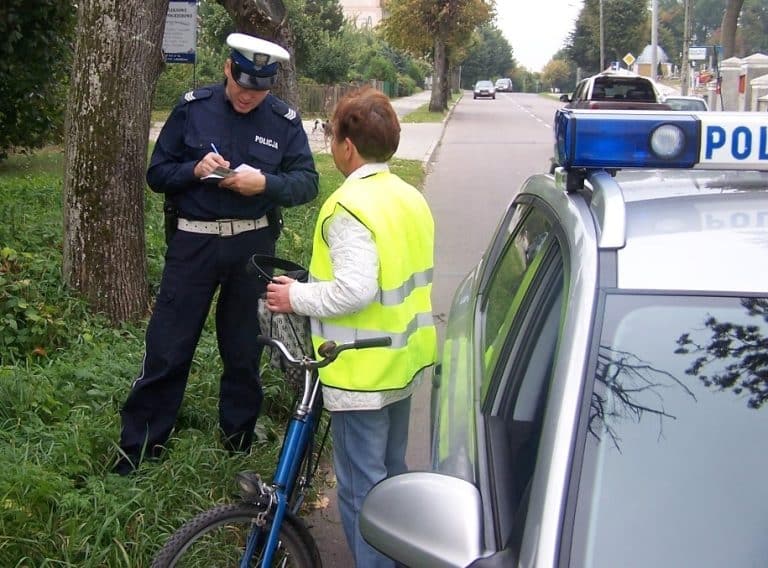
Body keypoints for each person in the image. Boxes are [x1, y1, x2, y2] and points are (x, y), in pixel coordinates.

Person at [114, 33, 319, 475]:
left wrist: (264, 184)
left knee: (244, 350)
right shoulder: (192, 108)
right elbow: (157, 174)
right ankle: (140, 448)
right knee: (169, 346)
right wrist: (194, 169)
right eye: (242, 85)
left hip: (252, 247)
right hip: (194, 244)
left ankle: (238, 441)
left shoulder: (284, 121)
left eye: (259, 89)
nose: (248, 96)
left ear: (271, 86)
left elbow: (307, 182)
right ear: (228, 69)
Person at [265, 86, 437, 567]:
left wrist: (293, 296)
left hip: (361, 371)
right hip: (404, 360)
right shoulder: (408, 197)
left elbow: (355, 289)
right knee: (392, 478)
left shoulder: (348, 207)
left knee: (363, 490)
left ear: (346, 145)